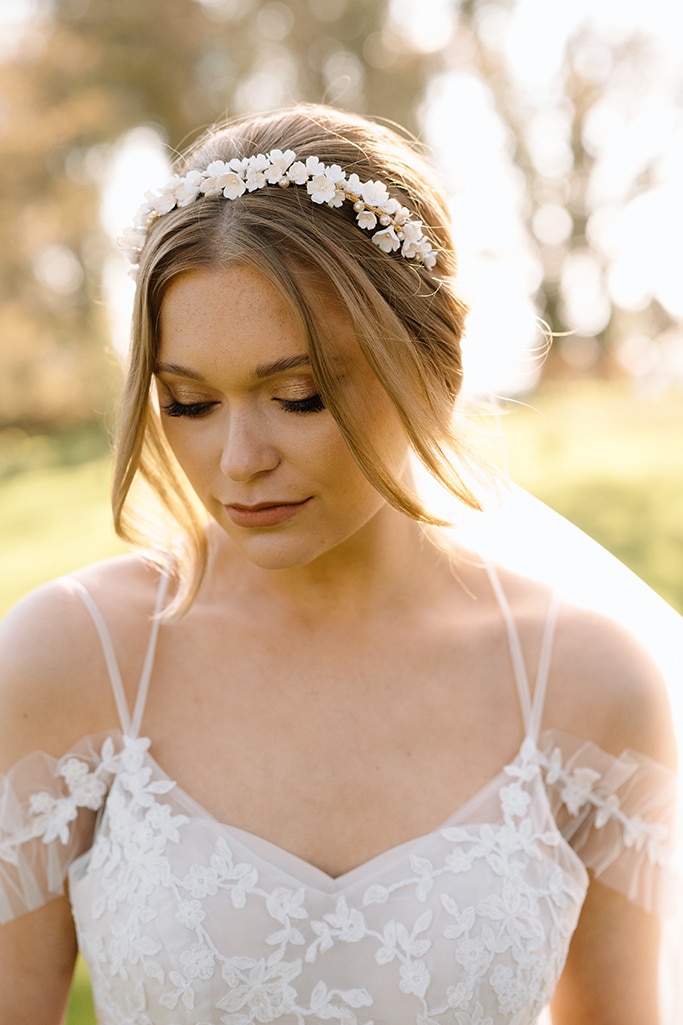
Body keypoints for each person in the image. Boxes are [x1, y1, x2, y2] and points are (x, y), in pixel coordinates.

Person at [0, 103, 680, 1025]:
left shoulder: (588, 684)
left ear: (433, 368)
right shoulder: (70, 660)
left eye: (299, 394)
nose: (239, 460)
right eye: (190, 403)